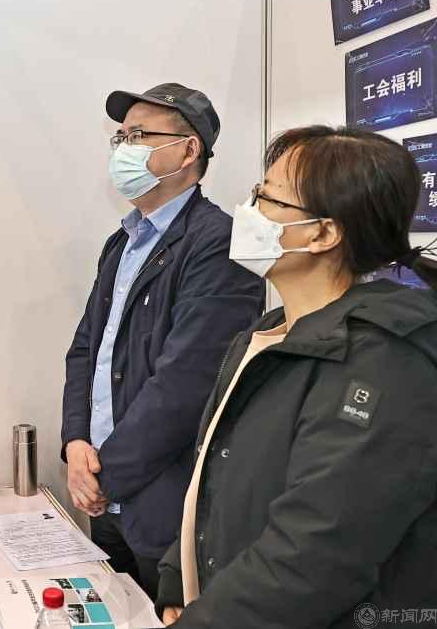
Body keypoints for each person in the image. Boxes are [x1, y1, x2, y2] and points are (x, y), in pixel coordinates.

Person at [157, 126, 437, 627]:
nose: (249, 211)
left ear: (323, 234)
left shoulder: (383, 361)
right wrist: (177, 580)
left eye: (268, 198)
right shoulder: (267, 335)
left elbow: (314, 554)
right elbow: (214, 476)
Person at [60, 83, 265, 599]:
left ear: (189, 150)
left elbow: (185, 385)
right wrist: (75, 442)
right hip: (103, 492)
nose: (123, 150)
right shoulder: (123, 241)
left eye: (138, 136)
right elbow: (87, 349)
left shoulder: (218, 243)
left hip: (160, 502)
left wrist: (105, 475)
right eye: (120, 138)